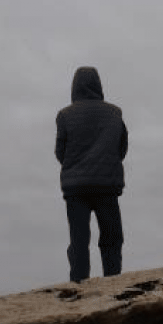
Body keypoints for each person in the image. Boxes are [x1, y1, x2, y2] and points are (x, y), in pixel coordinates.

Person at [55, 66, 128, 282]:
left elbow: (61, 151)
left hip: (75, 188)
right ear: (99, 85)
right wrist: (106, 164)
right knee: (112, 238)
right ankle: (112, 283)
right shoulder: (115, 113)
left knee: (79, 240)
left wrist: (76, 167)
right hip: (107, 185)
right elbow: (121, 147)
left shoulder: (65, 115)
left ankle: (78, 286)